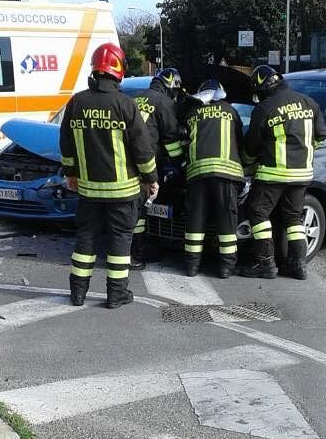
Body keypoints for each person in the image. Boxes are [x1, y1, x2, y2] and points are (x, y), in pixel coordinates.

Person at [59, 43, 158, 308]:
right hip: (123, 191)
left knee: (86, 238)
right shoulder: (125, 104)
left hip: (89, 191)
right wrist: (151, 178)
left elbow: (66, 144)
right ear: (119, 70)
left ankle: (77, 292)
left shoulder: (76, 102)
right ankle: (116, 294)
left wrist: (70, 174)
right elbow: (142, 147)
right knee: (120, 241)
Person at [240, 65, 326, 280]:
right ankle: (297, 265)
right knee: (294, 218)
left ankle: (265, 263)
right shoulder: (309, 103)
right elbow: (320, 136)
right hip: (302, 174)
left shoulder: (264, 108)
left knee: (257, 212)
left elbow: (251, 147)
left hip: (273, 174)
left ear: (262, 88)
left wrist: (248, 164)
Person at [179, 79, 245, 278]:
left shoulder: (192, 113)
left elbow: (183, 141)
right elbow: (240, 141)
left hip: (198, 173)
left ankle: (191, 266)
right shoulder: (231, 112)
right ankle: (226, 268)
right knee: (227, 222)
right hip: (226, 174)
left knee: (195, 221)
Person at [130, 68, 182, 270]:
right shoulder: (164, 102)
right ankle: (136, 255)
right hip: (146, 163)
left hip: (125, 162)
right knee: (140, 211)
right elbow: (170, 139)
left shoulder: (135, 98)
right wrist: (180, 162)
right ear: (171, 86)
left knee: (132, 207)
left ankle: (132, 251)